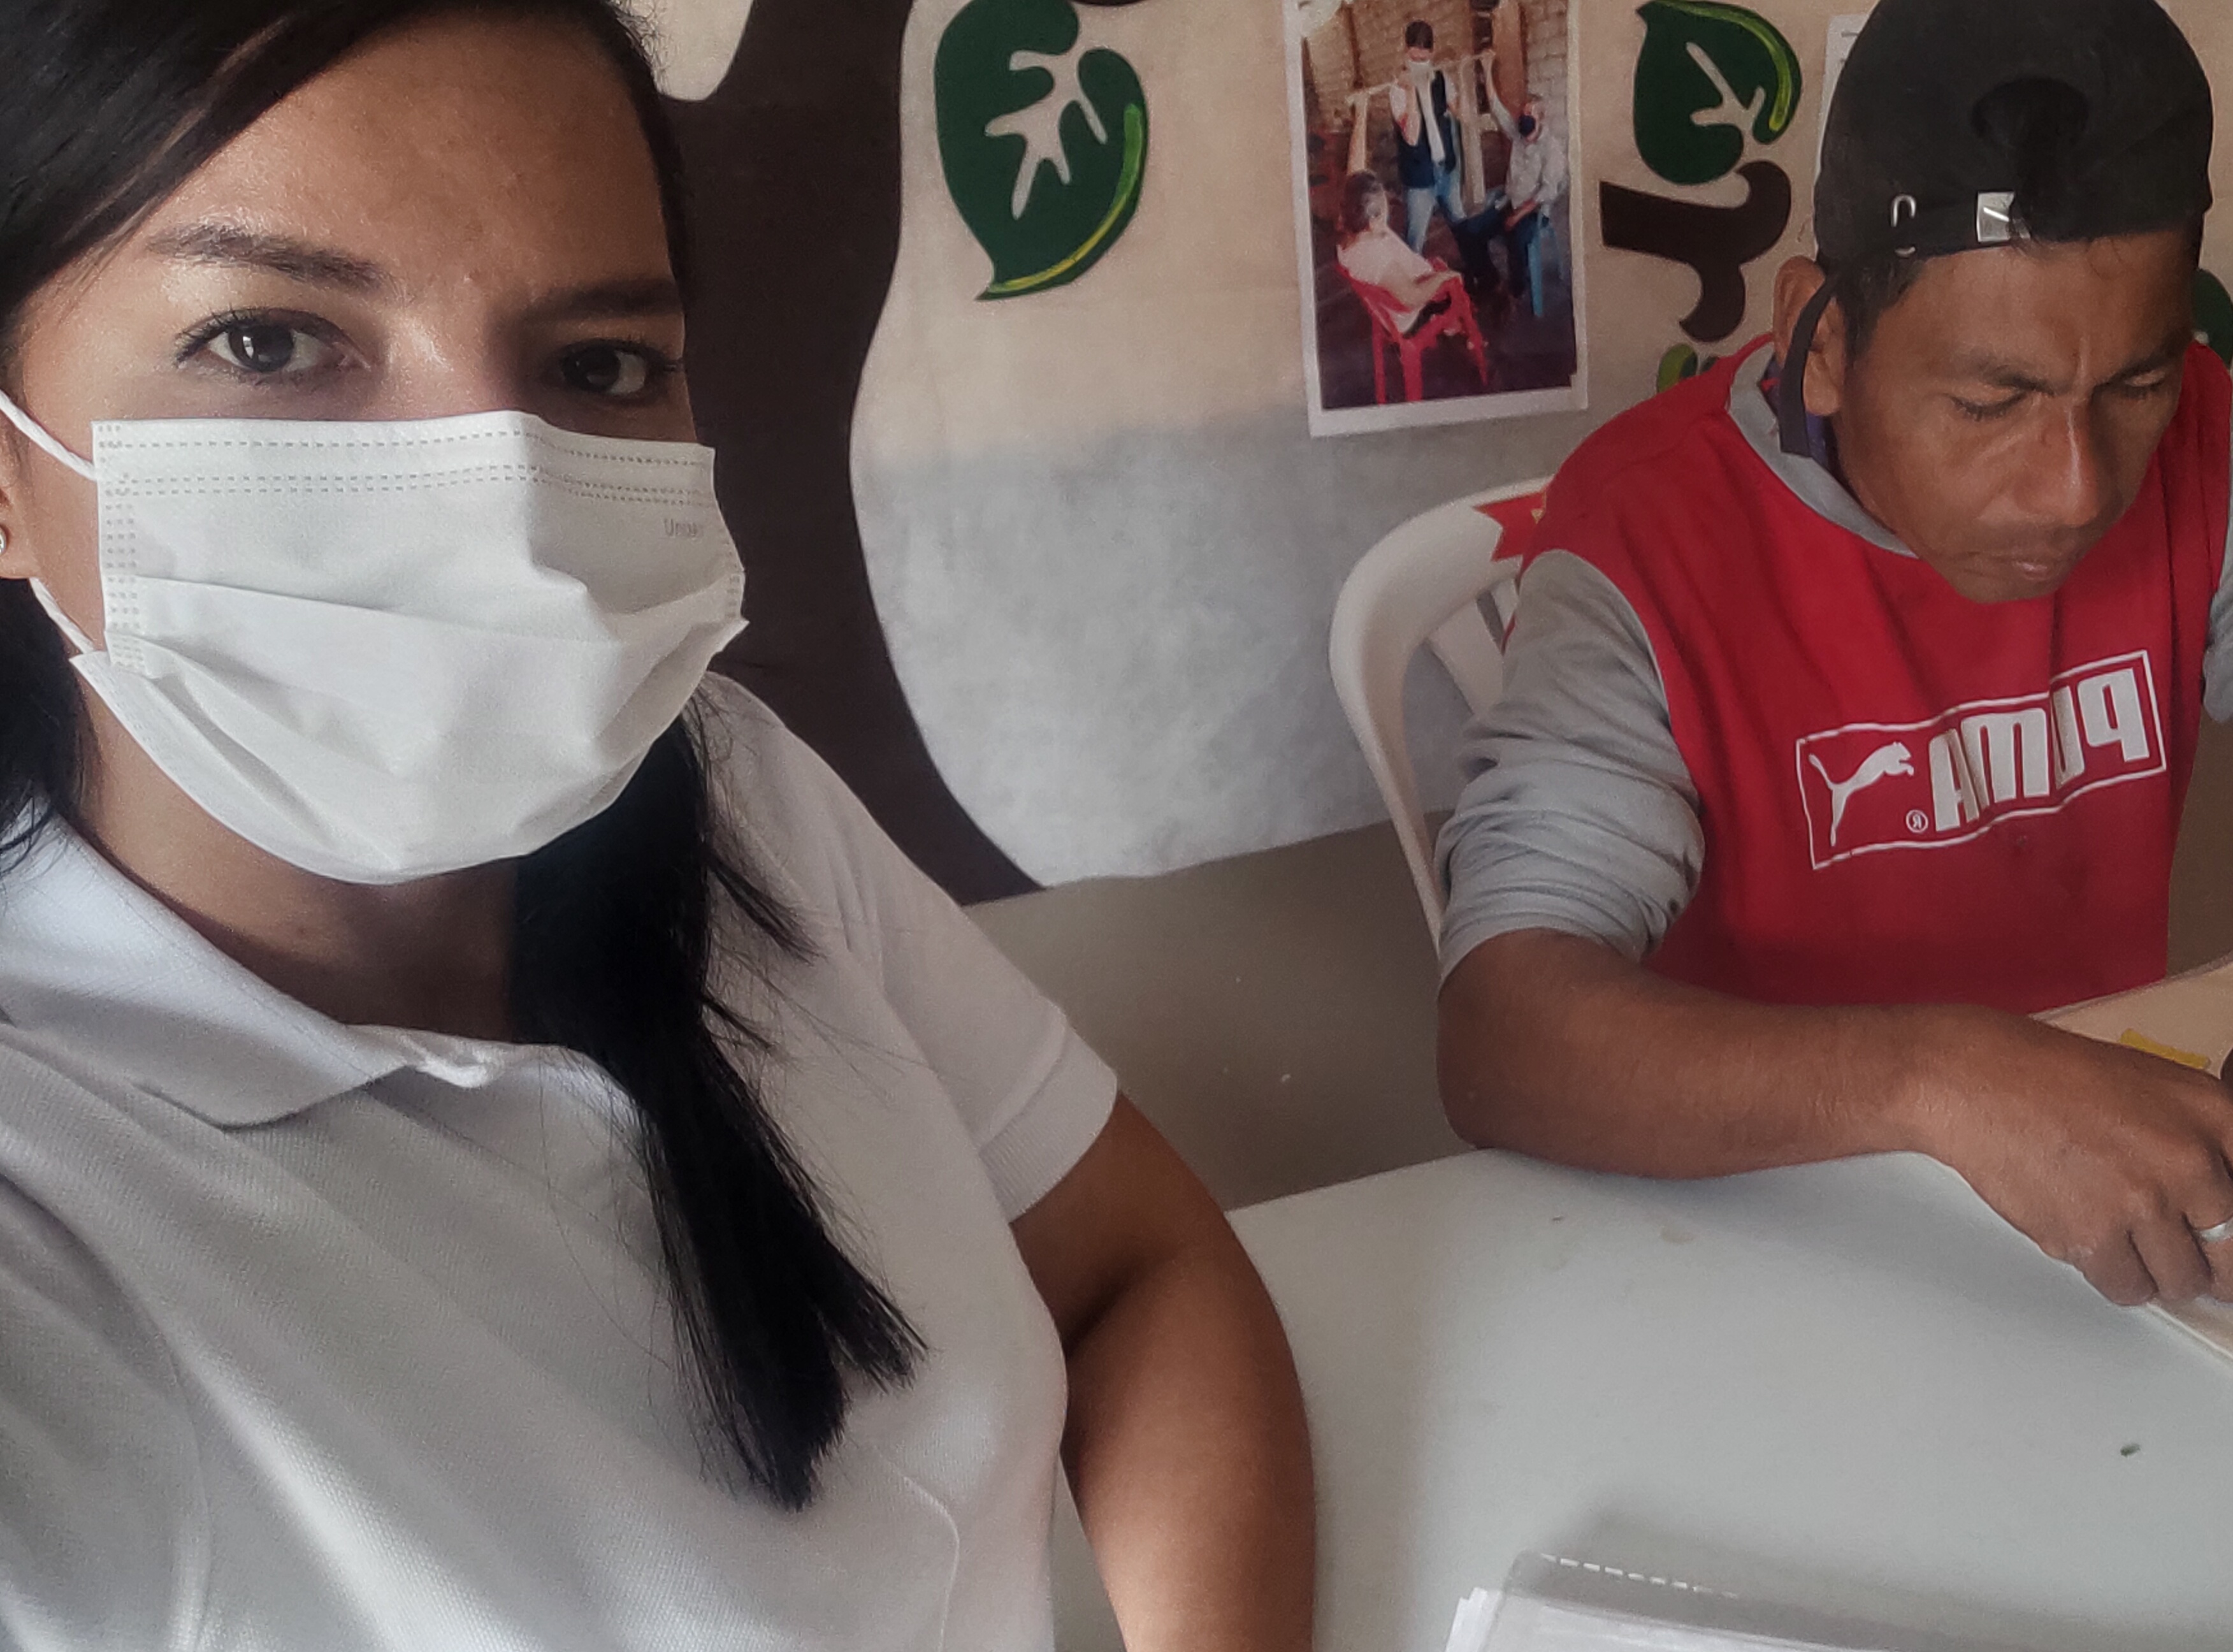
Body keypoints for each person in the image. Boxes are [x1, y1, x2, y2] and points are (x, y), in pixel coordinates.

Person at [0, 3, 1312, 1648]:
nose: (507, 514)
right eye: (268, 343)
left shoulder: (728, 795)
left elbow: (1132, 1268)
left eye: (601, 365)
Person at [1435, 0, 2233, 1311]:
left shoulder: (2202, 451)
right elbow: (1504, 1034)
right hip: (1762, 1243)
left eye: (2134, 386)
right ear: (1822, 340)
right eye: (1990, 402)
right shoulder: (1647, 534)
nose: (2076, 487)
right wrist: (1946, 1081)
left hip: (2099, 1230)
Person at [1340, 89, 1470, 335]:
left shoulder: (1353, 225)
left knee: (1443, 270)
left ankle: (1451, 322)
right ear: (1374, 221)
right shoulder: (1377, 258)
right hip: (1408, 316)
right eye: (1385, 207)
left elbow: (1355, 172)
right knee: (1458, 282)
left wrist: (1362, 111)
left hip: (1392, 297)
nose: (1389, 208)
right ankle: (1454, 326)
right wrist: (1444, 277)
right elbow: (1412, 297)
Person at [1450, 54, 1566, 314]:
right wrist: (1487, 68)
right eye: (1523, 112)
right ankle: (1492, 282)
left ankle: (1515, 292)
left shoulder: (1551, 150)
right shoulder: (1518, 134)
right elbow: (1496, 108)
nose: (1524, 117)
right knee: (1468, 231)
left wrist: (1518, 215)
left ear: (1542, 118)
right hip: (1509, 202)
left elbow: (1548, 191)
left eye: (1531, 114)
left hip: (1533, 211)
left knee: (1517, 240)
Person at [1385, 19, 1467, 254]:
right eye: (1414, 59)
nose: (1420, 64)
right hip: (1419, 178)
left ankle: (1481, 271)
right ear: (1406, 53)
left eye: (1424, 59)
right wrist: (1410, 91)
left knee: (1463, 228)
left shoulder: (1441, 78)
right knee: (1415, 242)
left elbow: (1462, 114)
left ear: (1432, 53)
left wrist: (1461, 74)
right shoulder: (1397, 89)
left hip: (1447, 170)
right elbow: (1411, 137)